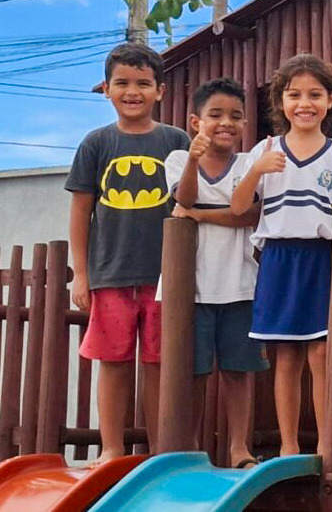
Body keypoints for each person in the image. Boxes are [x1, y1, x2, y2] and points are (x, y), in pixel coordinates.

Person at [230, 54, 332, 456]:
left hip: (323, 258)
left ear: (330, 100)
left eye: (315, 95)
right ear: (281, 102)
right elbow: (238, 207)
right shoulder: (265, 149)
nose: (305, 103)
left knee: (322, 353)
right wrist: (257, 170)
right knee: (286, 355)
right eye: (294, 95)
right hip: (278, 258)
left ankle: (325, 443)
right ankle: (288, 445)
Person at [65, 42, 190, 464]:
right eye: (122, 83)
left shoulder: (176, 140)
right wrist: (81, 275)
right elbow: (81, 212)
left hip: (164, 277)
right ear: (106, 89)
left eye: (143, 83)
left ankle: (159, 449)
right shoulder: (96, 143)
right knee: (113, 361)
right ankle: (112, 447)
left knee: (159, 363)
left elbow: (189, 200)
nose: (132, 91)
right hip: (110, 274)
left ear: (160, 90)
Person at [163, 78, 269, 468]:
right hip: (187, 289)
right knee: (192, 372)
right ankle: (191, 448)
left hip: (239, 283)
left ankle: (239, 447)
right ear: (196, 122)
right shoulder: (177, 160)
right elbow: (184, 196)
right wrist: (194, 160)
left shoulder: (248, 165)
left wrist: (198, 216)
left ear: (245, 123)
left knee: (239, 370)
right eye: (216, 115)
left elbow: (248, 214)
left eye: (236, 116)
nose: (226, 123)